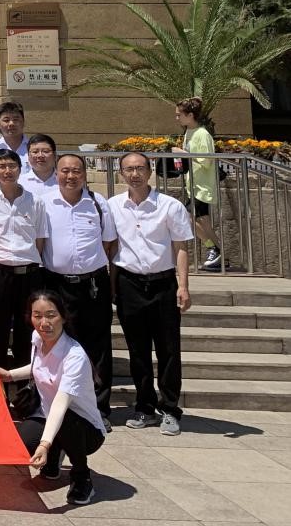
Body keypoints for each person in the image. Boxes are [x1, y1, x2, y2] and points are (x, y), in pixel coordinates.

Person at [0, 289, 105, 505]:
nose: (44, 323)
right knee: (24, 443)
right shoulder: (37, 338)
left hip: (85, 429)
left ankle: (81, 476)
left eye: (51, 315)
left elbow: (61, 404)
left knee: (64, 420)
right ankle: (54, 456)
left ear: (63, 316)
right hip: (49, 415)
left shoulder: (75, 356)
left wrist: (44, 445)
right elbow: (40, 367)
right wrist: (10, 375)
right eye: (37, 316)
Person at [109, 151, 193, 436]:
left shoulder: (169, 206)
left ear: (150, 171)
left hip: (163, 284)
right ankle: (144, 406)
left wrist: (183, 286)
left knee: (168, 349)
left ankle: (170, 408)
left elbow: (181, 247)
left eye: (140, 168)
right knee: (138, 350)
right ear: (121, 173)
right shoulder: (113, 206)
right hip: (129, 284)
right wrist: (112, 287)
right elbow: (111, 248)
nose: (135, 174)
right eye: (129, 169)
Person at [44, 154, 117, 429]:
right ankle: (62, 407)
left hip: (93, 285)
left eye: (76, 171)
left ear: (84, 175)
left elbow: (109, 244)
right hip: (57, 285)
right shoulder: (44, 203)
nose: (70, 176)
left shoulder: (98, 204)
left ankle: (99, 409)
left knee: (98, 346)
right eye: (65, 171)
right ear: (56, 174)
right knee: (60, 345)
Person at [0, 149, 48, 371]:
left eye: (12, 166)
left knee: (27, 330)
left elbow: (40, 240)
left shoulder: (35, 201)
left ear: (20, 169)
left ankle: (25, 385)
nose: (7, 171)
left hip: (29, 275)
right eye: (2, 166)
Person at [172, 96, 222, 272]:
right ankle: (220, 254)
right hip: (194, 184)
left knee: (187, 217)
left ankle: (213, 248)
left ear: (190, 115)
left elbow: (206, 160)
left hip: (202, 185)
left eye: (179, 115)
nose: (177, 118)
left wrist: (183, 153)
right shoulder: (189, 132)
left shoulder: (202, 134)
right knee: (203, 222)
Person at [21, 134, 59, 200]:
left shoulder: (65, 181)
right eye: (35, 152)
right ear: (28, 156)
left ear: (55, 155)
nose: (40, 155)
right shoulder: (19, 182)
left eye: (45, 151)